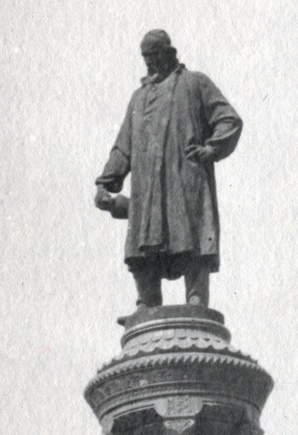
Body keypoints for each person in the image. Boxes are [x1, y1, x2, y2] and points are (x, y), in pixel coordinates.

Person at [95, 29, 242, 310]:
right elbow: (123, 146)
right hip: (147, 187)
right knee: (143, 238)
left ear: (168, 53)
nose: (150, 64)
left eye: (154, 57)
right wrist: (106, 182)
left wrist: (211, 147)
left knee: (192, 234)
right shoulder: (139, 99)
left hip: (184, 179)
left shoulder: (194, 83)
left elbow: (229, 119)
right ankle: (146, 304)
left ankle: (196, 298)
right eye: (145, 59)